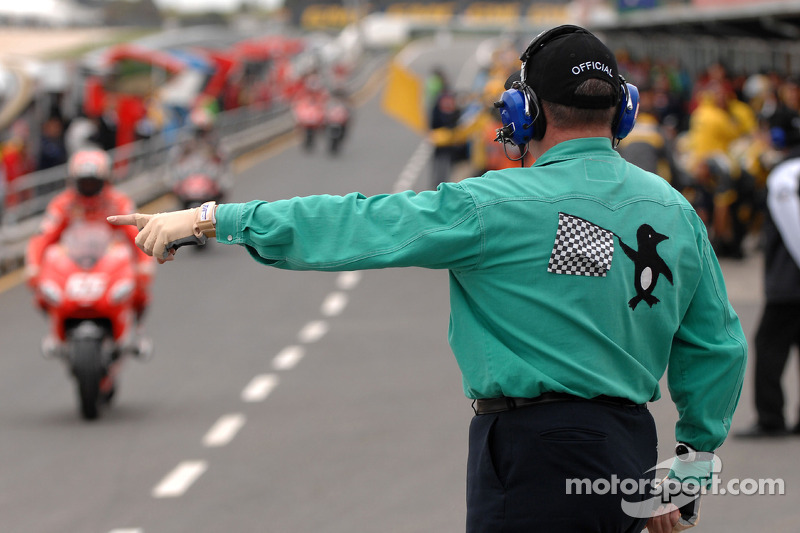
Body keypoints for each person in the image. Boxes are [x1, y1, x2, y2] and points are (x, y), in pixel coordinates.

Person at [109, 25, 747, 532]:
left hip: (531, 455)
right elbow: (718, 346)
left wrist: (211, 218)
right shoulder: (674, 212)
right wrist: (688, 470)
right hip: (631, 452)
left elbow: (356, 225)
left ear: (525, 113)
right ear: (623, 113)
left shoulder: (493, 204)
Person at [26, 147, 154, 349]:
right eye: (83, 182)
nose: (88, 186)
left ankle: (138, 331)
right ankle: (56, 331)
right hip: (74, 264)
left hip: (107, 263)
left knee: (141, 289)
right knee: (40, 291)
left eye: (93, 181)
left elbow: (137, 235)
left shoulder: (118, 202)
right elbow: (42, 237)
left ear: (105, 180)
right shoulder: (63, 204)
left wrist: (144, 265)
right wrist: (33, 267)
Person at [736, 113, 800, 438]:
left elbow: (793, 228)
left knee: (769, 345)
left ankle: (770, 417)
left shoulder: (785, 174)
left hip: (790, 283)